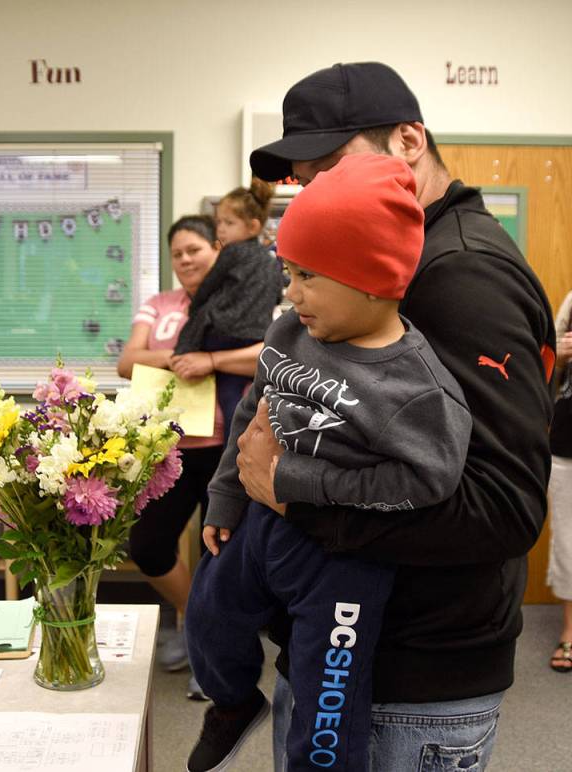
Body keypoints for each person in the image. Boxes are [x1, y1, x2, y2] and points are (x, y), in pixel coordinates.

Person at [241, 62, 555, 770]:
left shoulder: (461, 277)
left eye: (327, 166)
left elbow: (503, 509)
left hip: (410, 682)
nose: (312, 192)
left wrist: (293, 496)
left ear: (410, 139)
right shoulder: (377, 262)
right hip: (344, 646)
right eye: (303, 178)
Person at [185, 153, 471, 772]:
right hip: (260, 523)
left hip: (343, 564)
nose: (290, 293)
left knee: (326, 707)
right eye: (289, 273)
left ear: (371, 279)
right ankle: (233, 704)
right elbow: (253, 413)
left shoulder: (415, 390)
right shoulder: (292, 332)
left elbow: (430, 480)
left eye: (306, 276)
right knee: (206, 616)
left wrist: (295, 481)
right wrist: (227, 495)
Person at [116, 214, 281, 696]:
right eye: (177, 254)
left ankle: (214, 649)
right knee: (147, 545)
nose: (185, 260)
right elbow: (127, 361)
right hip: (171, 450)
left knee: (222, 555)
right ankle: (197, 622)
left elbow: (268, 353)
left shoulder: (243, 295)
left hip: (228, 451)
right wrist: (177, 358)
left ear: (218, 250)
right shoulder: (160, 306)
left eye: (195, 249)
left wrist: (208, 359)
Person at [547, 290, 572, 672]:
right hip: (568, 441)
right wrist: (561, 356)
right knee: (569, 540)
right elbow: (543, 368)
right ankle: (570, 633)